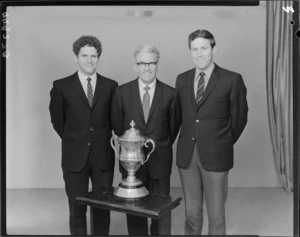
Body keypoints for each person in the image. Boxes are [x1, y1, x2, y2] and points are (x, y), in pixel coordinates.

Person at [175, 29, 248, 235]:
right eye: (195, 49)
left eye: (204, 48)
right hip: (187, 156)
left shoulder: (231, 79)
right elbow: (178, 117)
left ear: (214, 49)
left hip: (217, 155)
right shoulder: (182, 80)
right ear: (190, 51)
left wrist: (222, 142)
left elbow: (240, 117)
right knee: (191, 213)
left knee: (216, 215)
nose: (199, 54)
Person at [49, 35, 118, 235]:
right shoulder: (61, 86)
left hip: (103, 157)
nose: (89, 60)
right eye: (84, 55)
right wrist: (75, 139)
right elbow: (58, 121)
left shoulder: (110, 86)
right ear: (76, 58)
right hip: (74, 156)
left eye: (94, 56)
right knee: (76, 209)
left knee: (102, 210)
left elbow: (115, 120)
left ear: (99, 58)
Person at [111, 45, 181, 235]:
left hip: (160, 161)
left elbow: (173, 128)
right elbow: (118, 127)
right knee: (134, 211)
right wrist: (133, 148)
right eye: (142, 63)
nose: (147, 67)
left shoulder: (171, 94)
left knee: (161, 211)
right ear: (135, 66)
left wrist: (159, 145)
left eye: (151, 63)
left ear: (157, 65)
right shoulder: (122, 92)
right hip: (132, 163)